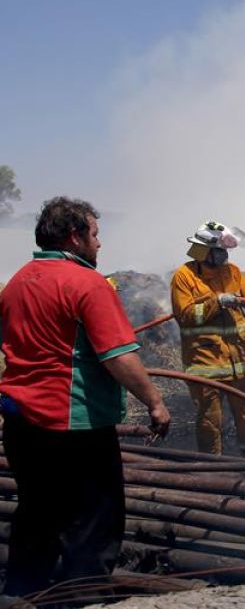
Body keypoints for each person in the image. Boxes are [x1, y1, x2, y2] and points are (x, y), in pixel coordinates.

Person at [0, 196, 171, 598]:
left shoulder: (18, 282)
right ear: (75, 237)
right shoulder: (88, 284)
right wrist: (155, 402)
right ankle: (84, 600)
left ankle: (21, 595)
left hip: (22, 424)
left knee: (37, 514)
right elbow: (119, 357)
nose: (99, 244)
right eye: (95, 235)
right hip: (74, 426)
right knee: (93, 524)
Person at [170, 220, 245, 460]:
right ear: (204, 251)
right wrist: (217, 302)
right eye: (220, 251)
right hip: (207, 365)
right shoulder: (184, 277)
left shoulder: (233, 272)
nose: (225, 256)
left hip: (242, 363)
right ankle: (212, 470)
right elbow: (186, 316)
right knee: (211, 423)